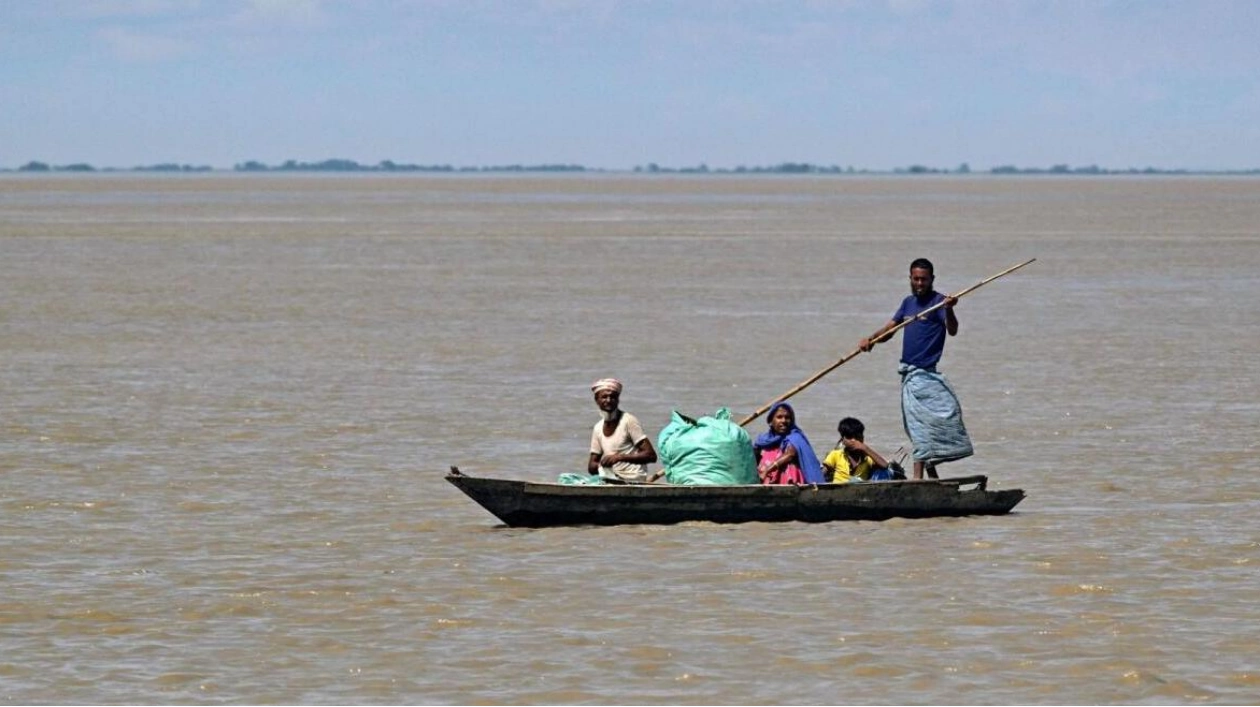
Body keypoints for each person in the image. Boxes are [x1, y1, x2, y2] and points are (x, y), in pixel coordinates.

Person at [859, 258, 974, 479]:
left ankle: (918, 480)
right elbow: (889, 330)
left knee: (943, 417)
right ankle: (930, 477)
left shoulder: (940, 303)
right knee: (916, 427)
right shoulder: (908, 303)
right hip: (909, 375)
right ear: (910, 279)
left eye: (924, 279)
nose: (919, 283)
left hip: (926, 375)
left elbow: (953, 330)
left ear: (932, 279)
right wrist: (871, 340)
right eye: (916, 279)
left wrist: (949, 310)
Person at [588, 378, 657, 482]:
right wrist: (602, 466)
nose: (608, 400)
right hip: (611, 477)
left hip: (633, 479)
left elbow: (651, 455)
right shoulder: (598, 428)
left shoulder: (628, 421)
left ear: (618, 400)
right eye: (604, 397)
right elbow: (592, 465)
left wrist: (619, 457)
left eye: (613, 397)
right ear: (597, 400)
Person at [752, 401, 824, 485]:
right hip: (765, 482)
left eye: (787, 417)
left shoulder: (796, 437)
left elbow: (789, 454)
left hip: (792, 485)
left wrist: (767, 470)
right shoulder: (763, 440)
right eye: (779, 417)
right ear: (771, 421)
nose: (784, 421)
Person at [821, 417, 892, 483]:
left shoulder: (867, 458)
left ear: (862, 438)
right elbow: (821, 474)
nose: (853, 440)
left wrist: (865, 448)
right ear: (843, 440)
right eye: (849, 437)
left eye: (857, 437)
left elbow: (885, 465)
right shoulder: (836, 455)